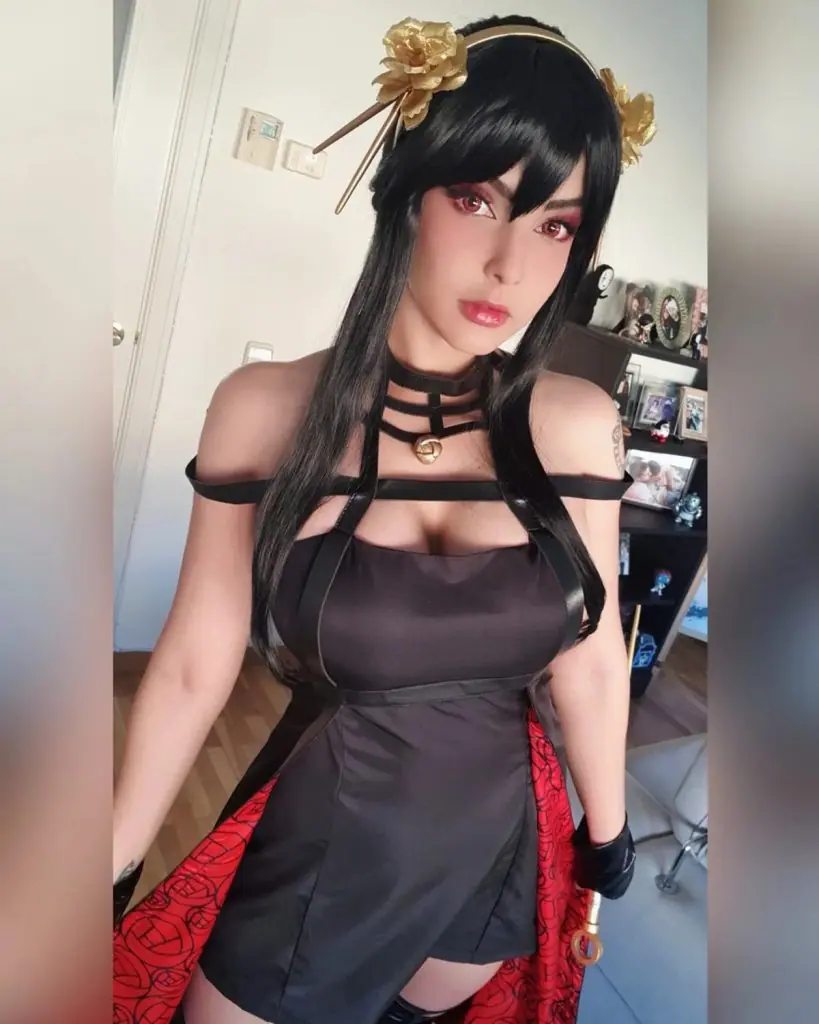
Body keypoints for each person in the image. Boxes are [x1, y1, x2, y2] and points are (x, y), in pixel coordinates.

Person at [113, 14, 655, 1024]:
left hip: (489, 854)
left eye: (555, 225)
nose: (510, 265)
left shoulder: (576, 424)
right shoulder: (263, 408)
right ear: (406, 191)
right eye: (476, 199)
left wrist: (607, 830)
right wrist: (109, 859)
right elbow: (194, 660)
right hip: (325, 859)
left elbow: (587, 658)